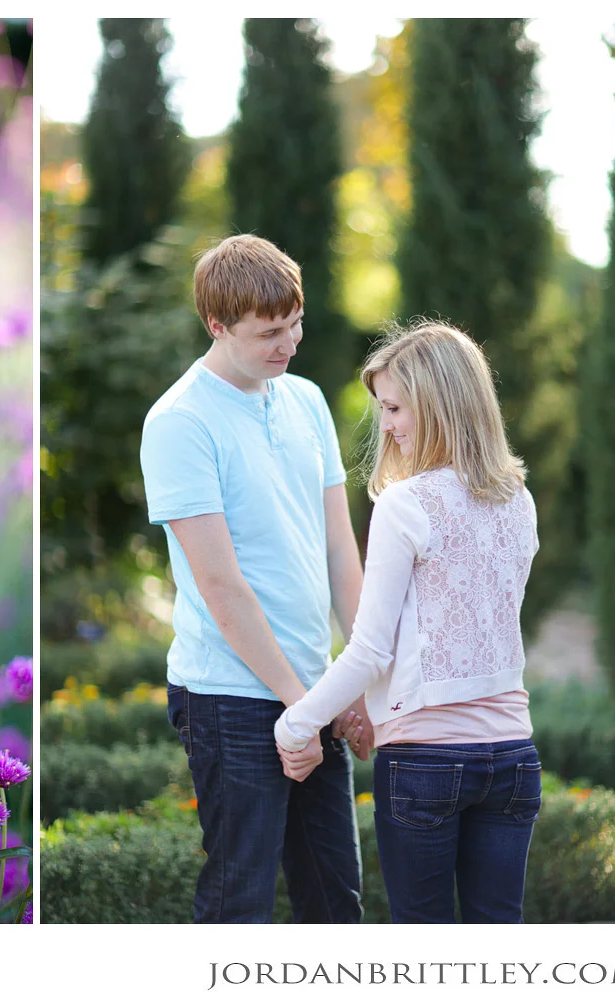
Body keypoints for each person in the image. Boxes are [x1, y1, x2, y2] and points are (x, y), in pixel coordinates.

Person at [274, 320, 541, 924]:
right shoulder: (519, 499)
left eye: (394, 407)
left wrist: (296, 726)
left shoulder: (405, 504)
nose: (387, 425)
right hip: (514, 758)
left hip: (426, 764)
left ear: (438, 403)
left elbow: (369, 650)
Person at [139, 234, 369, 924]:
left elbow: (338, 548)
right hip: (230, 697)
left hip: (312, 686)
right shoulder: (179, 423)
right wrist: (303, 707)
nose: (289, 343)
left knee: (335, 901)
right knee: (240, 903)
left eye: (296, 323)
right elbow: (222, 588)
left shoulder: (305, 400)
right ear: (216, 324)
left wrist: (353, 680)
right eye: (269, 332)